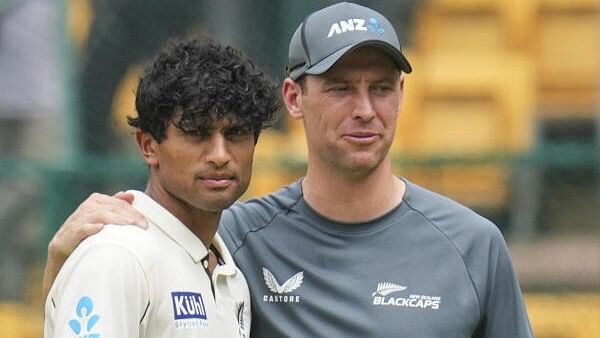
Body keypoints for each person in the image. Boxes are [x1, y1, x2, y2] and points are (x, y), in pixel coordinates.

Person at [43, 2, 534, 337]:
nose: (365, 109)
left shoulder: (473, 246)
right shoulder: (229, 240)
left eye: (381, 88)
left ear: (402, 96)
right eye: (341, 88)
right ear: (294, 99)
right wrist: (61, 264)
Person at [44, 36, 280, 337]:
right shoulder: (117, 256)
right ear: (148, 146)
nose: (220, 155)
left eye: (236, 133)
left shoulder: (229, 275)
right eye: (197, 134)